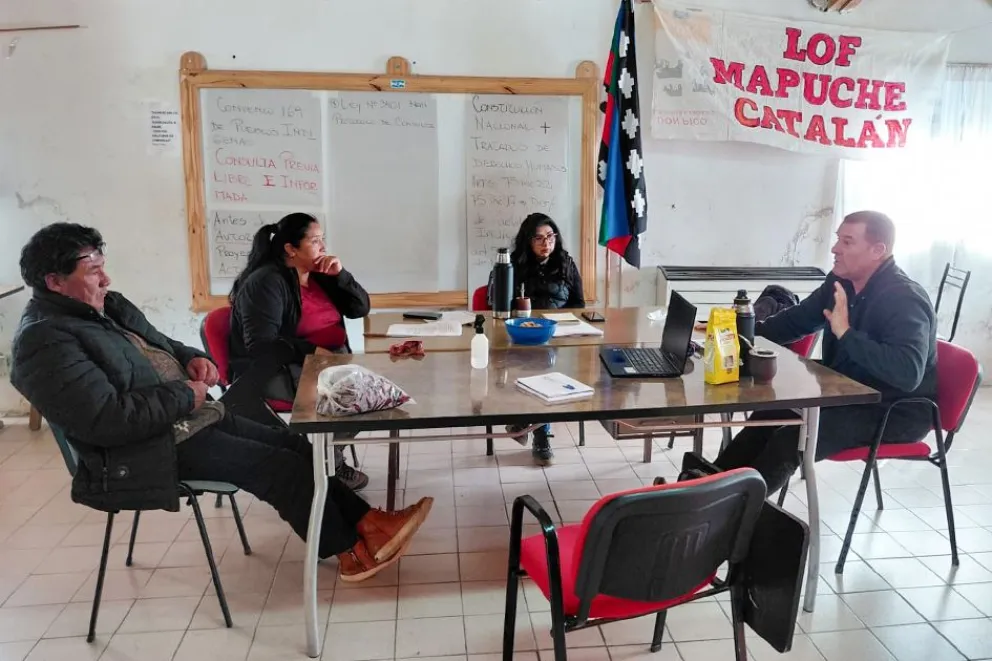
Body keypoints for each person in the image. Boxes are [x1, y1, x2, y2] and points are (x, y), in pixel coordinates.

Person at [10, 223, 429, 582]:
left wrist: (194, 358)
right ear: (54, 282)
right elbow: (107, 420)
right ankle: (351, 553)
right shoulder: (44, 341)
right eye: (93, 271)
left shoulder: (106, 307)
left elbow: (164, 345)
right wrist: (184, 394)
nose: (106, 279)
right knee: (281, 468)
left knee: (295, 446)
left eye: (103, 267)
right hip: (142, 450)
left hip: (187, 418)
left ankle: (370, 523)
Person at [712, 211, 938, 493]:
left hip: (893, 410)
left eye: (847, 242)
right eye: (837, 239)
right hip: (846, 392)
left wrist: (846, 333)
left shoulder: (904, 299)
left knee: (792, 438)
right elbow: (795, 321)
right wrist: (735, 336)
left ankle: (733, 511)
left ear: (877, 250)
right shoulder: (840, 282)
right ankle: (703, 490)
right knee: (768, 416)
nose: (835, 249)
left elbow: (907, 373)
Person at [228, 213, 371, 490]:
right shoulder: (267, 282)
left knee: (373, 395)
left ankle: (325, 460)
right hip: (282, 368)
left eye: (322, 239)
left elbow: (359, 309)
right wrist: (313, 351)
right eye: (315, 241)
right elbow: (262, 344)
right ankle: (326, 466)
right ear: (290, 249)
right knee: (358, 397)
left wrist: (340, 275)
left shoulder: (319, 274)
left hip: (327, 361)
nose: (323, 247)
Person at [487, 213, 585, 466]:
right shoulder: (511, 265)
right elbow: (493, 302)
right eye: (539, 238)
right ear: (527, 241)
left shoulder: (565, 262)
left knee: (545, 365)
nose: (546, 243)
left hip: (556, 336)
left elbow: (578, 303)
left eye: (550, 237)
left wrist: (564, 323)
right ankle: (540, 434)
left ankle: (525, 423)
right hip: (518, 336)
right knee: (539, 367)